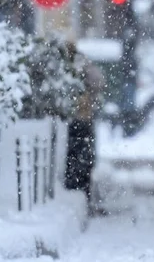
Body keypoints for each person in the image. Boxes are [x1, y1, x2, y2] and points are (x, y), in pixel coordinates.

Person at [63, 41, 105, 217]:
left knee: (73, 157)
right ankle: (84, 193)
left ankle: (77, 188)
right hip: (83, 117)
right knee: (84, 159)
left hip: (70, 119)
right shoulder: (83, 63)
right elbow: (99, 81)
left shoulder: (62, 66)